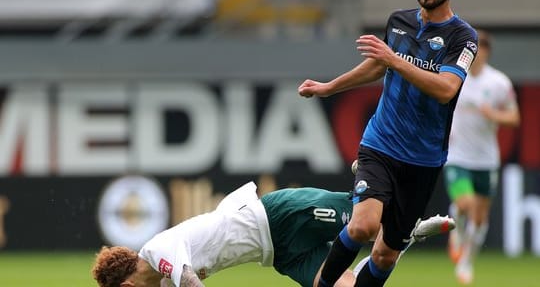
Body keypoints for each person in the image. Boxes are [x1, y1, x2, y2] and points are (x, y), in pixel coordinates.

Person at [297, 0, 477, 287]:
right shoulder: (399, 22)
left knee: (385, 255)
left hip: (422, 159)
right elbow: (378, 64)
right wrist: (329, 87)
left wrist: (394, 60)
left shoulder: (462, 38)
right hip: (380, 142)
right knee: (363, 225)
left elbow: (445, 89)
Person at [91, 181, 453, 287]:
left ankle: (369, 177)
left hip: (279, 217)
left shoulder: (157, 252)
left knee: (367, 220)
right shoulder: (161, 280)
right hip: (279, 255)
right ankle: (410, 237)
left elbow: (189, 281)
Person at [444, 29, 520, 284]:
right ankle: (456, 218)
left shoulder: (499, 83)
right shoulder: (455, 76)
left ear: (487, 52)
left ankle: (466, 261)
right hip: (457, 155)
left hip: (486, 159)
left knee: (480, 219)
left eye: (482, 49)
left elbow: (514, 117)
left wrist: (493, 115)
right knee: (466, 204)